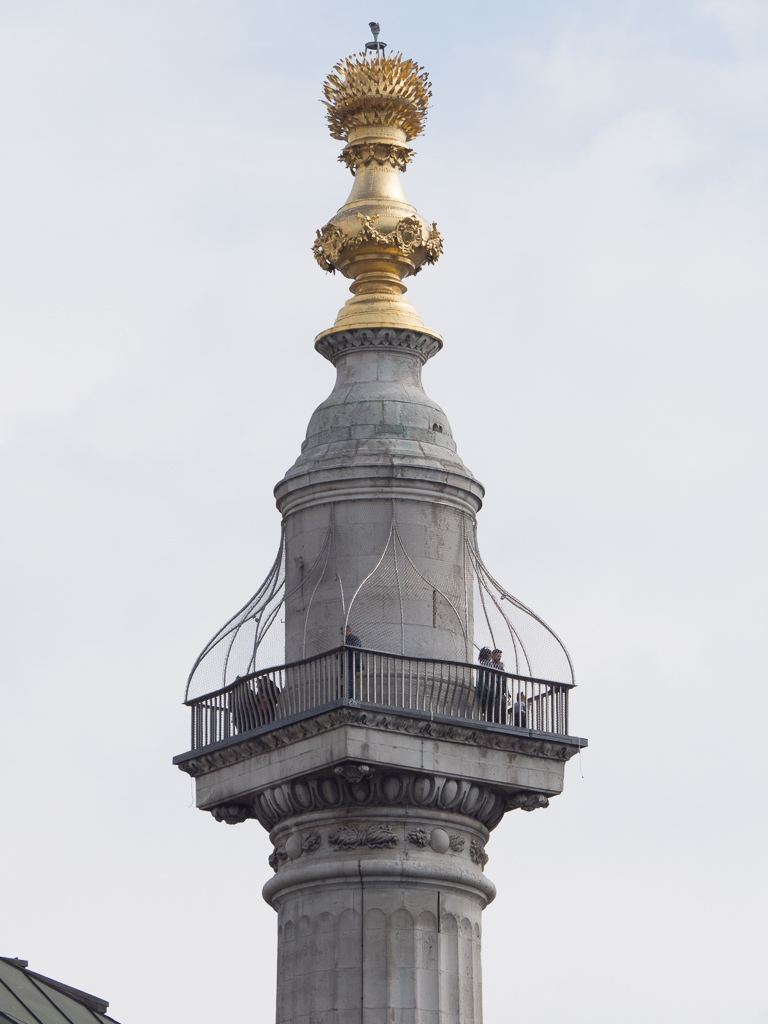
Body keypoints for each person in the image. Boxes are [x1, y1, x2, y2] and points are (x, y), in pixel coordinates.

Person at [341, 625, 362, 699]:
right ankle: (349, 698)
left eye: (343, 633)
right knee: (346, 684)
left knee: (350, 683)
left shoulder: (353, 639)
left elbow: (356, 647)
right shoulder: (345, 640)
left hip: (352, 664)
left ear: (349, 631)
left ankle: (352, 700)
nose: (342, 635)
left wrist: (345, 647)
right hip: (348, 664)